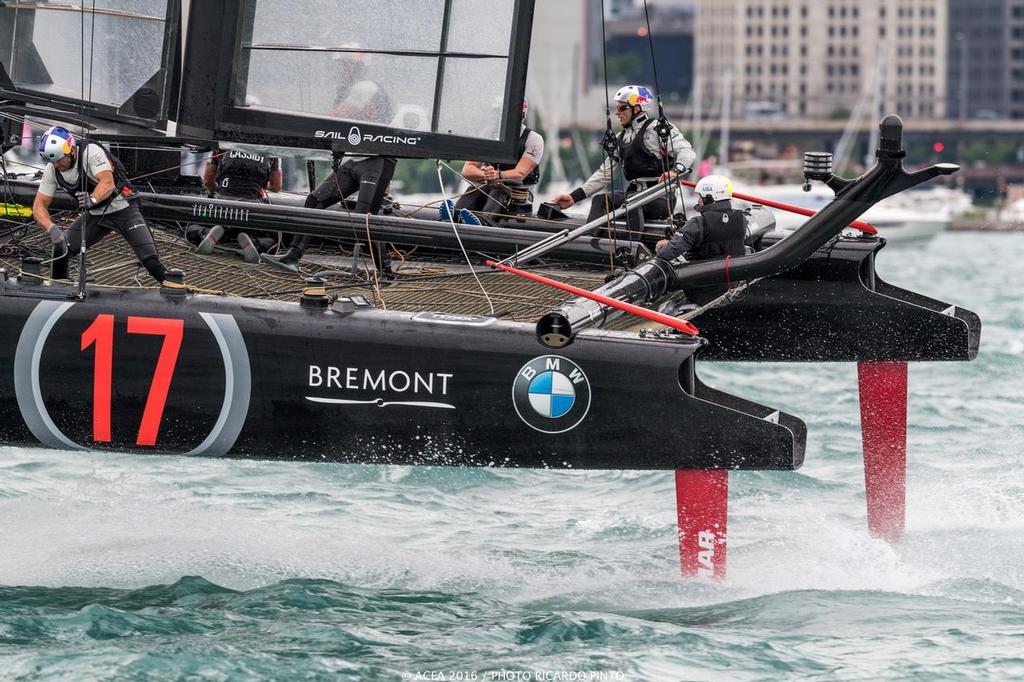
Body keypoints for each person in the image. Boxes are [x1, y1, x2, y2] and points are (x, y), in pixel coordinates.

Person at [264, 51, 397, 278]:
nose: (341, 71)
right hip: (354, 160)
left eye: (345, 66)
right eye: (341, 66)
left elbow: (338, 116)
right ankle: (293, 257)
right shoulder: (348, 90)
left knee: (364, 220)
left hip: (377, 161)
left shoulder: (366, 86)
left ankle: (385, 273)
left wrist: (303, 124)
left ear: (359, 68)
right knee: (315, 200)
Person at [551, 85, 695, 245]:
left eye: (621, 108)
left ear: (638, 108)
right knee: (600, 200)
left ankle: (631, 249)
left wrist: (676, 171)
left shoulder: (657, 130)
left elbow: (687, 151)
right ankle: (589, 244)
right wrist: (573, 197)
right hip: (634, 195)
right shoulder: (621, 137)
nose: (617, 112)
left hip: (660, 198)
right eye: (616, 108)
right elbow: (604, 174)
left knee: (632, 204)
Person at [32, 126, 169, 283]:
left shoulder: (91, 152)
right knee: (61, 250)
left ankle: (175, 288)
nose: (56, 165)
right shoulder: (52, 169)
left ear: (70, 149)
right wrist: (52, 229)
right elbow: (39, 206)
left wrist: (93, 199)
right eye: (52, 161)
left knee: (151, 261)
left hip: (124, 208)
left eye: (59, 159)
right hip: (96, 214)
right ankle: (59, 289)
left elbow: (107, 182)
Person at [442, 99, 544, 226]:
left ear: (522, 115)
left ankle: (483, 222)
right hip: (490, 186)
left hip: (519, 194)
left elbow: (519, 174)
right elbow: (467, 170)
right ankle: (452, 218)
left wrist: (497, 175)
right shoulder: (488, 134)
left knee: (498, 192)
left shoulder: (534, 139)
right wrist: (486, 175)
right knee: (473, 190)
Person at [654, 174, 747, 304]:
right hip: (732, 288)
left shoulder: (698, 223)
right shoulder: (741, 219)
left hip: (702, 293)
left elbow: (666, 253)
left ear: (709, 198)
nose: (698, 201)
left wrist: (662, 246)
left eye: (700, 197)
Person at [189, 148, 283, 262]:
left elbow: (208, 180)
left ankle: (205, 234)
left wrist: (215, 194)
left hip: (220, 207)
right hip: (251, 212)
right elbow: (276, 186)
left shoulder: (222, 144)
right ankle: (254, 243)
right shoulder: (271, 149)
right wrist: (257, 185)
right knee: (273, 238)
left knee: (191, 225)